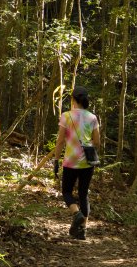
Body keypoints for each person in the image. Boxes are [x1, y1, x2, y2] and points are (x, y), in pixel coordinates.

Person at [53, 86, 101, 240]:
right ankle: (82, 230)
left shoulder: (66, 116)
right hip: (88, 162)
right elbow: (97, 142)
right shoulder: (93, 117)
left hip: (70, 161)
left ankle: (76, 213)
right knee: (83, 194)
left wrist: (56, 159)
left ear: (73, 99)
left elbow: (60, 141)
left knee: (67, 192)